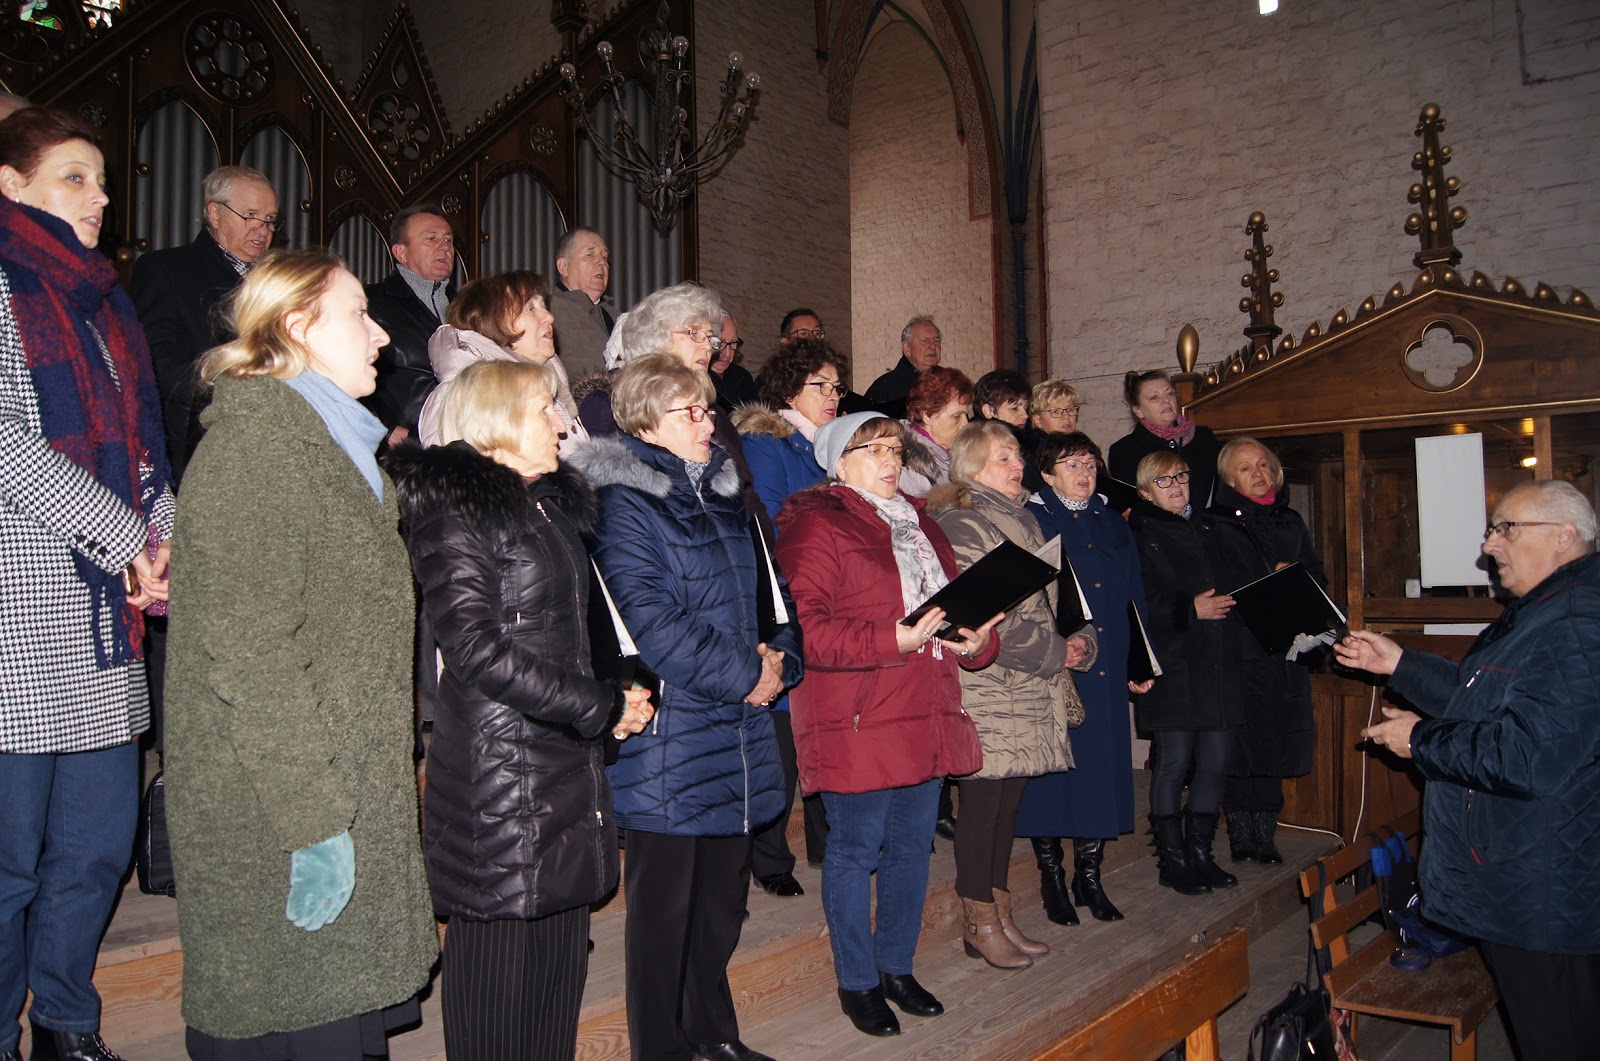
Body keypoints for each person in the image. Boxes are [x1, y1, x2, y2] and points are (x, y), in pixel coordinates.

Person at [163, 249, 437, 1059]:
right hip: (278, 813)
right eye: (359, 313)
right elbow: (253, 659)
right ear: (296, 326)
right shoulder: (257, 451)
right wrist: (315, 822)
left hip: (338, 784)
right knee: (292, 1022)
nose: (382, 335)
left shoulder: (329, 447)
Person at [388, 360, 652, 1061]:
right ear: (498, 422)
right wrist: (598, 705)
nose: (562, 423)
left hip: (561, 758)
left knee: (555, 985)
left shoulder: (546, 504)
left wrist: (615, 692)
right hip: (500, 773)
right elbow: (475, 649)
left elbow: (567, 631)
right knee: (499, 996)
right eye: (543, 408)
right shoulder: (457, 507)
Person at [0, 106, 175, 1061]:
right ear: (10, 184)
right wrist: (124, 534)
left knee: (97, 846)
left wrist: (164, 534)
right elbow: (6, 446)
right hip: (20, 611)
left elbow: (146, 448)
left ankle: (66, 1022)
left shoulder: (107, 304)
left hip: (104, 617)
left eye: (103, 180)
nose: (101, 196)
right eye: (75, 176)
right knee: (8, 864)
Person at [567, 354, 802, 1061]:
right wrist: (749, 676)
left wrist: (780, 661)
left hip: (737, 731)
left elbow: (773, 600)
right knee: (663, 919)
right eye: (689, 411)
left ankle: (714, 1032)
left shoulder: (727, 497)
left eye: (708, 408)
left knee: (722, 905)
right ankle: (662, 1048)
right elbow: (652, 622)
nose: (708, 423)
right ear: (644, 422)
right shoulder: (622, 503)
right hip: (672, 737)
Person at [1336, 480, 1600, 1061]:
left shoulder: (1576, 621)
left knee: (1560, 1038)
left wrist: (1421, 739)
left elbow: (1531, 755)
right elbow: (1478, 698)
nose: (1489, 544)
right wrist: (1400, 664)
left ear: (1564, 536)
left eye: (1507, 528)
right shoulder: (1545, 612)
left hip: (1546, 889)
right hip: (1528, 880)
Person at [775, 411, 997, 1038]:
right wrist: (890, 638)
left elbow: (955, 611)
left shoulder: (922, 525)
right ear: (838, 462)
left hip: (925, 706)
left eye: (895, 448)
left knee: (911, 848)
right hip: (859, 713)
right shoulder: (817, 525)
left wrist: (977, 641)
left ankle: (896, 966)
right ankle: (858, 981)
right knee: (854, 849)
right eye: (871, 449)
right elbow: (804, 631)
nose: (889, 459)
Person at [931, 421, 1092, 971]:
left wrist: (1080, 639)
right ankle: (978, 922)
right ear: (971, 466)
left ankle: (998, 914)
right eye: (1003, 457)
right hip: (989, 683)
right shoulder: (963, 521)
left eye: (1017, 455)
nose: (1017, 465)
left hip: (1028, 683)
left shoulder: (1026, 518)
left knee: (1008, 805)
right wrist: (1055, 651)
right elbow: (980, 614)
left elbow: (1058, 602)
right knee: (983, 806)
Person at [1015, 432, 1151, 922]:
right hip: (1058, 664)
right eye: (1072, 464)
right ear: (1047, 473)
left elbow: (1134, 595)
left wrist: (1140, 662)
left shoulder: (1112, 520)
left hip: (1106, 662)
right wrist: (1054, 647)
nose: (1084, 472)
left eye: (1090, 463)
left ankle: (1088, 877)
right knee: (1053, 774)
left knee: (1099, 771)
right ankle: (1051, 876)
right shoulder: (1032, 520)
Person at [734, 336, 852, 892]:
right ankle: (769, 857)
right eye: (819, 385)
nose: (832, 395)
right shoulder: (768, 444)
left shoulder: (832, 448)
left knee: (825, 732)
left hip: (831, 604)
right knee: (780, 744)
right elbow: (773, 527)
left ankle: (829, 843)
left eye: (837, 387)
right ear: (788, 390)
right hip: (789, 602)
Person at [1206, 437, 1325, 864]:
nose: (1257, 474)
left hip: (1284, 648)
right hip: (1238, 646)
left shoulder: (1290, 521)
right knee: (1242, 739)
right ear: (1228, 479)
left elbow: (1317, 575)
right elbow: (1211, 583)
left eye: (1262, 465)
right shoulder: (1214, 524)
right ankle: (1241, 830)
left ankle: (1266, 831)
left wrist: (1295, 577)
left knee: (1276, 735)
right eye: (1245, 468)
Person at [1128, 453, 1241, 894]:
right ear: (1145, 491)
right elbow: (1135, 602)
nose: (1175, 485)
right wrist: (1189, 609)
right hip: (1173, 664)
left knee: (1215, 762)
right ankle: (1172, 861)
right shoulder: (1139, 532)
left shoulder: (1210, 527)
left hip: (1217, 662)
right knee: (1174, 763)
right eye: (1163, 480)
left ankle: (1201, 854)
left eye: (1180, 476)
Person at [132, 164, 279, 480]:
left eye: (269, 219)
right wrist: (239, 391)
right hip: (204, 444)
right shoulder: (166, 269)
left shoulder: (280, 280)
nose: (263, 229)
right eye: (250, 216)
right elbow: (158, 362)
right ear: (215, 213)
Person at [417, 270, 584, 454]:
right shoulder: (458, 395)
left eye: (543, 306)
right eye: (531, 308)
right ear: (491, 321)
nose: (549, 317)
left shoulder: (552, 390)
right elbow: (453, 471)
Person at [365, 203, 456, 439]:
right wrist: (384, 429)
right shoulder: (369, 303)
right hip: (404, 447)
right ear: (401, 253)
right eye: (431, 238)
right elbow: (338, 371)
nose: (444, 247)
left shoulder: (468, 308)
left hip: (462, 442)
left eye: (448, 239)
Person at [1108, 369, 1221, 510]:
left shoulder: (1203, 438)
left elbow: (1219, 491)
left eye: (1170, 393)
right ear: (1138, 411)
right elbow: (1133, 506)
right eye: (1154, 397)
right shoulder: (1124, 451)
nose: (1166, 400)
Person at [897, 365, 972, 498]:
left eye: (966, 415)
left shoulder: (956, 453)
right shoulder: (908, 468)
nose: (965, 424)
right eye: (956, 416)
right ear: (927, 416)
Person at [549, 226, 613, 378]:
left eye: (604, 257)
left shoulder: (619, 317)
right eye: (590, 255)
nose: (602, 262)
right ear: (563, 267)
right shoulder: (548, 312)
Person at [864, 315, 941, 419]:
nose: (933, 346)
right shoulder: (885, 389)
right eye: (925, 340)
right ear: (907, 348)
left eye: (937, 340)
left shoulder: (948, 384)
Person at [709, 314, 759, 412]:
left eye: (733, 343)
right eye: (720, 343)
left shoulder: (742, 378)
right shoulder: (694, 378)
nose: (727, 354)